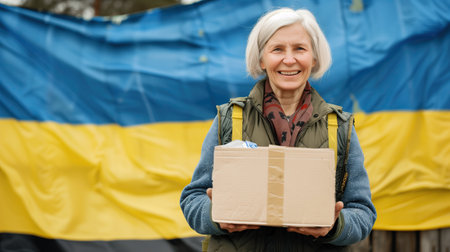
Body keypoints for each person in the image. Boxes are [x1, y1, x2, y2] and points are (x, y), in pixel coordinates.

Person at [180, 7, 376, 251]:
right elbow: (192, 199)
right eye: (277, 49)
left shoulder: (340, 127)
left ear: (314, 58)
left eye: (300, 49)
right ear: (261, 59)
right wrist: (215, 215)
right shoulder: (229, 118)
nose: (289, 59)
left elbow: (363, 214)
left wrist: (335, 226)